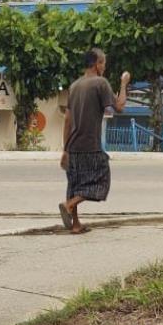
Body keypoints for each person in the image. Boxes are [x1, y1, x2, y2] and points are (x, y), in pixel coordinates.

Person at [59, 48, 130, 234]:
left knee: (74, 184)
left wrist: (65, 149)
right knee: (101, 179)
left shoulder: (75, 86)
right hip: (90, 145)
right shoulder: (100, 83)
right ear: (97, 64)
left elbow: (67, 119)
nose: (104, 67)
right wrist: (123, 84)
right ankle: (69, 205)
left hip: (73, 145)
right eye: (103, 63)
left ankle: (75, 225)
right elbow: (120, 106)